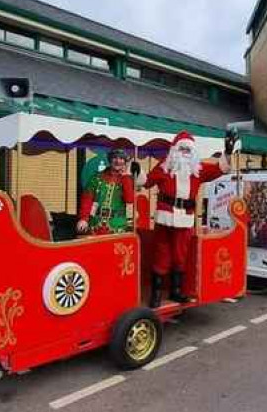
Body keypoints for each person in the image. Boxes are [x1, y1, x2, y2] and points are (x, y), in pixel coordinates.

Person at [138, 130, 235, 308]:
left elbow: (220, 169)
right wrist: (137, 171)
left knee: (180, 255)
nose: (185, 153)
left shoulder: (199, 170)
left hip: (186, 218)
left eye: (188, 150)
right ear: (174, 150)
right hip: (165, 217)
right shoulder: (164, 167)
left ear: (193, 152)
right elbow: (147, 182)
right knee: (162, 254)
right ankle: (156, 294)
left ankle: (176, 292)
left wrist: (227, 152)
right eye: (182, 149)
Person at [77, 149, 135, 236]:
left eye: (121, 158)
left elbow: (129, 200)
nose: (118, 161)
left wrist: (126, 177)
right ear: (110, 159)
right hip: (96, 224)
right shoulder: (96, 177)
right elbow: (87, 199)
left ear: (125, 162)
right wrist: (83, 218)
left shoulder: (127, 179)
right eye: (115, 157)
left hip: (117, 225)